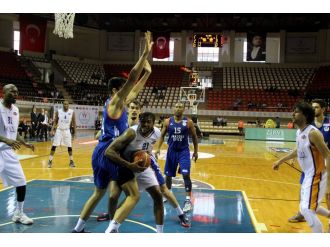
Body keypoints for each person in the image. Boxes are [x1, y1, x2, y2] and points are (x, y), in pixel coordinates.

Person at [72, 31, 153, 233]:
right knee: (134, 194)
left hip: (99, 152)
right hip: (111, 151)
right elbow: (132, 80)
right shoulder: (116, 102)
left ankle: (78, 228)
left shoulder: (117, 104)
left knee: (98, 193)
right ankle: (113, 229)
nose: (127, 91)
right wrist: (144, 55)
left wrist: (148, 73)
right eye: (123, 87)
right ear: (116, 90)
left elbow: (135, 90)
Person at [97, 102, 190, 228]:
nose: (134, 110)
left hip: (144, 160)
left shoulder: (153, 130)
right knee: (115, 195)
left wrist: (150, 153)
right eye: (132, 108)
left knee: (162, 189)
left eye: (136, 108)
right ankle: (112, 215)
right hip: (125, 161)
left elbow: (155, 139)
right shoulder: (124, 125)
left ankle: (181, 214)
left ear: (140, 111)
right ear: (128, 110)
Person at [273, 102, 330, 233]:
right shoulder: (299, 132)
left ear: (304, 115)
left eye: (296, 112)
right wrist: (280, 161)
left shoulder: (313, 133)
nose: (293, 114)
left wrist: (328, 181)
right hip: (307, 174)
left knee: (306, 209)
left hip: (317, 174)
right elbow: (297, 151)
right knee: (309, 207)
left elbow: (327, 154)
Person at [288, 99, 330, 229]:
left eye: (316, 107)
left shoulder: (316, 130)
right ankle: (303, 212)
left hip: (322, 167)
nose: (314, 109)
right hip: (309, 168)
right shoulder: (304, 129)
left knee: (326, 195)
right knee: (306, 200)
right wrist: (283, 159)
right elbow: (301, 148)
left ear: (323, 109)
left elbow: (326, 153)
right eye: (313, 107)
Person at [0, 84, 35, 225]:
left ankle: (19, 214)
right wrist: (6, 140)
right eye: (12, 91)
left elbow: (14, 133)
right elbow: (8, 137)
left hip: (8, 152)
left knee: (21, 182)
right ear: (3, 92)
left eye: (17, 92)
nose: (15, 94)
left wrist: (24, 143)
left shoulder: (15, 110)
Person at [155, 102, 198, 213]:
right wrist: (158, 148)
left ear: (183, 109)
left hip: (184, 152)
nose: (178, 108)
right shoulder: (167, 121)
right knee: (168, 176)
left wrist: (196, 151)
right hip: (171, 151)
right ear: (173, 108)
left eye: (180, 107)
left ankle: (188, 201)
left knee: (185, 174)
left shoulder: (188, 122)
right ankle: (169, 194)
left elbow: (194, 136)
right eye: (176, 106)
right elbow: (162, 136)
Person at [47, 100, 76, 168]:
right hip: (59, 130)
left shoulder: (72, 112)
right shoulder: (58, 111)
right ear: (62, 105)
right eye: (64, 104)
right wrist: (52, 130)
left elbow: (74, 123)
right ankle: (50, 161)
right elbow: (55, 122)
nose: (66, 105)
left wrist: (75, 133)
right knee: (54, 145)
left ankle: (71, 161)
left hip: (67, 131)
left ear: (68, 105)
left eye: (67, 104)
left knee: (69, 146)